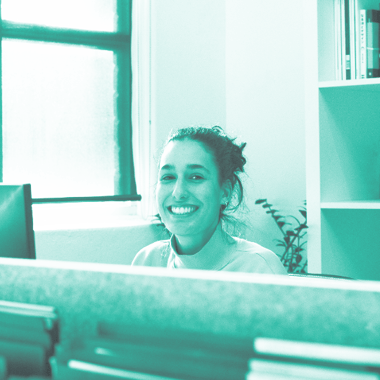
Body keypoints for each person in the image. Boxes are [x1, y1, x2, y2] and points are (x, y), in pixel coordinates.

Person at [132, 126, 287, 274]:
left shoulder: (260, 269)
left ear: (225, 192)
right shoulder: (146, 262)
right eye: (168, 177)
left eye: (195, 177)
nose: (178, 193)